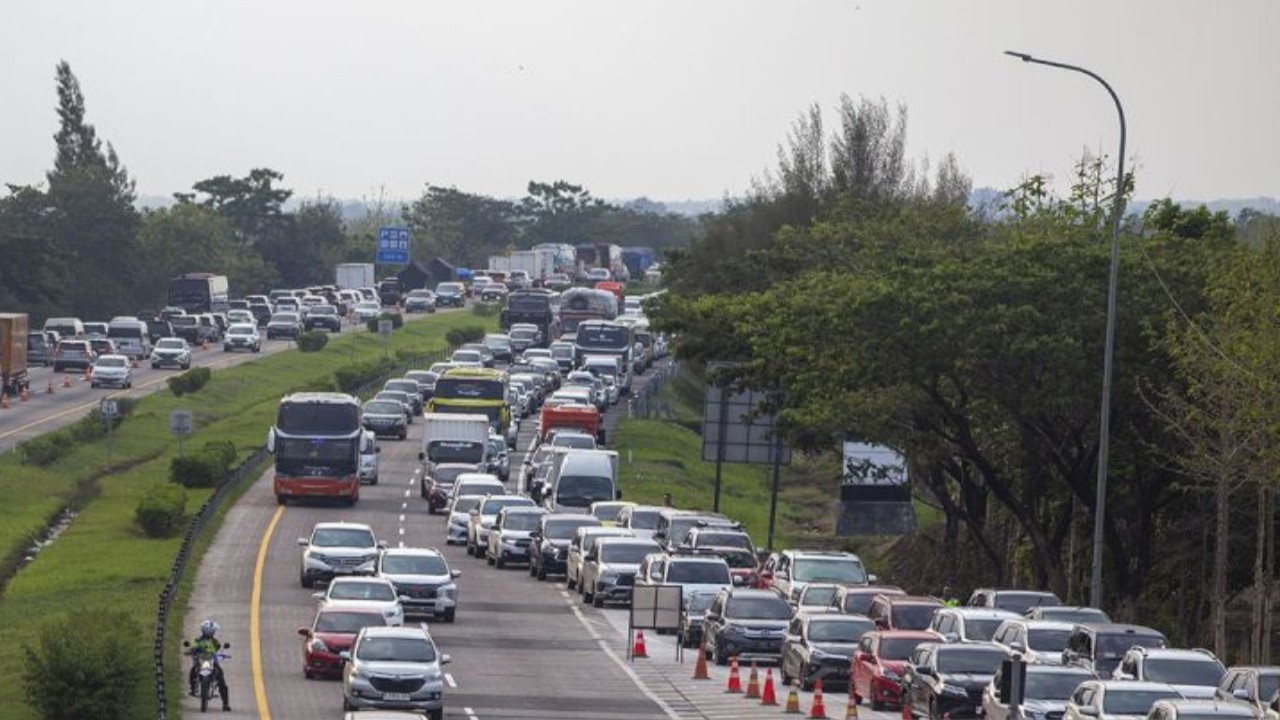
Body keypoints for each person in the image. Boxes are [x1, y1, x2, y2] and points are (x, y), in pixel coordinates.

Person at [187, 618, 231, 711]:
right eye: (212, 631)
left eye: (213, 631)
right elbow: (193, 648)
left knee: (221, 679)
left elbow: (218, 649)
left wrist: (222, 655)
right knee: (193, 672)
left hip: (212, 661)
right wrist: (190, 651)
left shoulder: (215, 642)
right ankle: (192, 688)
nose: (213, 633)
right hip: (200, 661)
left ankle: (225, 703)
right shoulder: (198, 640)